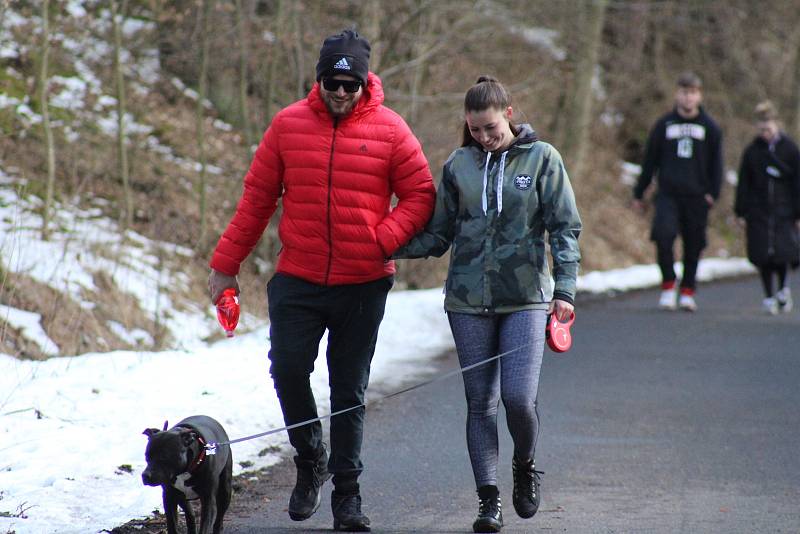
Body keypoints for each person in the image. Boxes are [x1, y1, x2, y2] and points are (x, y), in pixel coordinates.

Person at [207, 29, 435, 532]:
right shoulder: (288, 125)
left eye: (350, 84)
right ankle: (310, 457)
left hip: (363, 282)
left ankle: (347, 496)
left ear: (364, 83)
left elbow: (420, 194)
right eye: (332, 82)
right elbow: (256, 199)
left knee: (348, 389)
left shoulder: (392, 130)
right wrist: (226, 264)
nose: (340, 92)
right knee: (288, 369)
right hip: (299, 277)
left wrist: (382, 238)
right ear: (319, 78)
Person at [393, 76, 581, 533]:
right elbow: (439, 233)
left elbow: (564, 228)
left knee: (517, 397)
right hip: (466, 300)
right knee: (481, 403)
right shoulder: (458, 164)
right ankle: (488, 500)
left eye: (491, 128)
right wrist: (387, 245)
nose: (483, 137)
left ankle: (524, 463)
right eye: (475, 129)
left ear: (509, 114)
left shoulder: (543, 159)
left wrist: (565, 290)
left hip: (526, 298)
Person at [632, 72, 723, 311]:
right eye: (684, 92)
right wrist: (639, 193)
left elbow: (717, 165)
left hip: (697, 196)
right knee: (663, 236)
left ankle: (687, 290)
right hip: (668, 194)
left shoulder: (710, 127)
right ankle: (669, 284)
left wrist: (713, 193)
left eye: (692, 93)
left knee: (694, 244)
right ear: (677, 94)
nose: (688, 98)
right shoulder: (664, 125)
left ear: (699, 95)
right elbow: (650, 162)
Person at [734, 100, 800, 315]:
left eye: (769, 129)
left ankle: (781, 288)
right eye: (761, 129)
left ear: (777, 125)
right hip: (758, 211)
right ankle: (768, 295)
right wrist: (740, 211)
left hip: (784, 211)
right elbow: (744, 183)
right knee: (763, 255)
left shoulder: (790, 150)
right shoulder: (752, 152)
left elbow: (797, 181)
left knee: (781, 253)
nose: (765, 133)